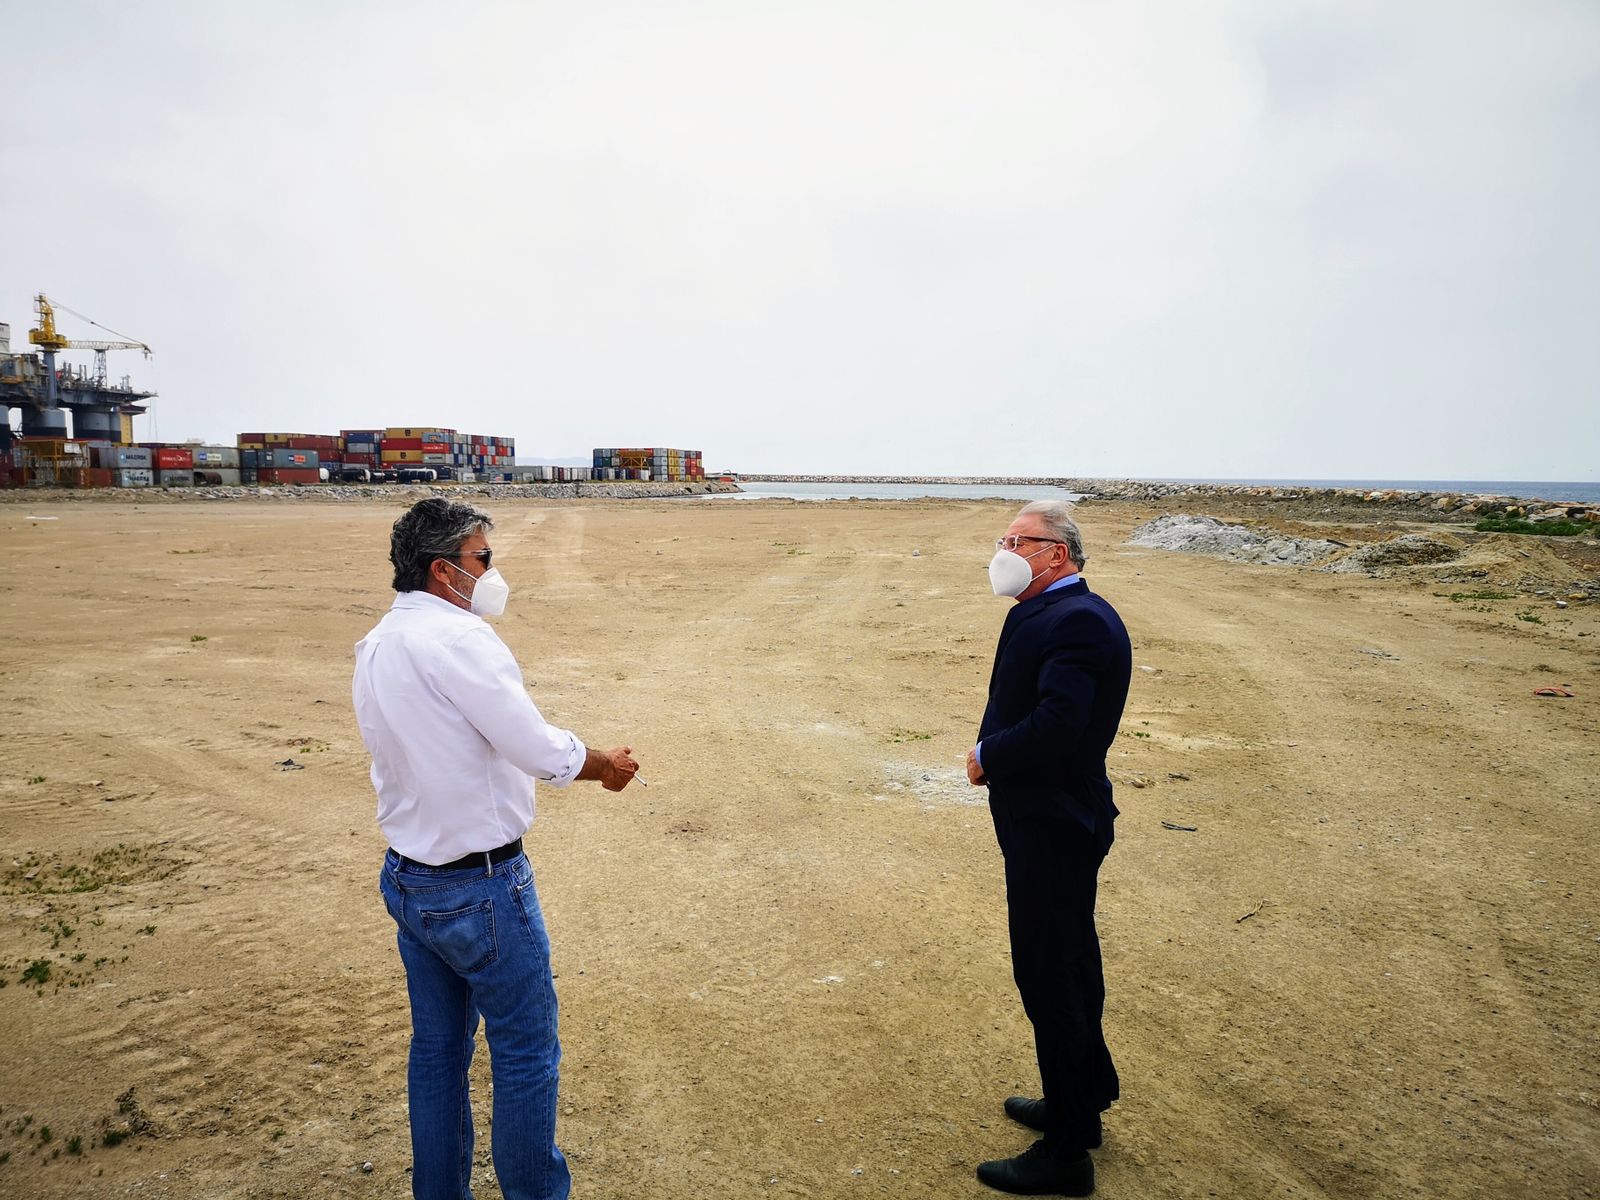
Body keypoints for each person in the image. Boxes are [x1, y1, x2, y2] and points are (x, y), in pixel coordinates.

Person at [352, 497, 639, 1200]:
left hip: (410, 879)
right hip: (481, 889)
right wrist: (601, 763)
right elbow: (531, 745)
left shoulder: (378, 644)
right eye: (484, 559)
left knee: (439, 1054)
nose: (493, 572)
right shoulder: (460, 641)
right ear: (445, 572)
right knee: (525, 1055)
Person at [966, 500, 1132, 1197]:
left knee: (1051, 976)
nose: (1002, 550)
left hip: (1057, 821)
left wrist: (986, 756)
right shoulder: (1044, 610)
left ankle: (1067, 1155)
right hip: (1044, 815)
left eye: (1017, 540)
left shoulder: (1082, 622)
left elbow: (1059, 726)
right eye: (1002, 537)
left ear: (1056, 554)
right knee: (1069, 961)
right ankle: (1079, 1103)